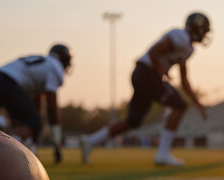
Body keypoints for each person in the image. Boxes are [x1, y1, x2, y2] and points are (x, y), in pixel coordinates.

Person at [81, 12, 210, 166]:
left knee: (133, 121)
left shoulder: (188, 49)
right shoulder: (180, 36)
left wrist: (197, 102)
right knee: (179, 105)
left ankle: (91, 141)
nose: (205, 34)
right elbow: (154, 52)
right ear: (198, 28)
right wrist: (161, 71)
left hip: (145, 75)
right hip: (147, 73)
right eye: (205, 30)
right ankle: (162, 153)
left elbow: (184, 80)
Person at [0, 44, 71, 163]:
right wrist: (56, 138)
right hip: (6, 83)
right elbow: (52, 106)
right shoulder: (56, 68)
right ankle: (7, 152)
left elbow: (37, 101)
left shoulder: (42, 63)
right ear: (65, 59)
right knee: (32, 121)